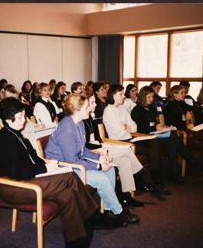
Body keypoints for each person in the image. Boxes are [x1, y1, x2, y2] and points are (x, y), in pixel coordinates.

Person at [0, 97, 100, 248]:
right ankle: (92, 215)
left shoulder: (16, 134)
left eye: (24, 116)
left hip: (25, 181)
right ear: (8, 120)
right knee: (69, 176)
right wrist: (44, 168)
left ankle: (74, 245)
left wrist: (49, 166)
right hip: (12, 187)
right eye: (20, 117)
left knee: (68, 194)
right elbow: (17, 172)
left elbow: (34, 160)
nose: (25, 120)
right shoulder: (4, 140)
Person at [45, 94, 140, 225]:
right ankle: (119, 212)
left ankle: (109, 210)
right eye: (86, 107)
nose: (90, 109)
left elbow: (82, 150)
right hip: (62, 168)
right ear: (76, 110)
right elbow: (71, 161)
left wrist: (99, 157)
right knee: (101, 178)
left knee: (110, 169)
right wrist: (98, 166)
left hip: (73, 162)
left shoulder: (80, 123)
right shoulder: (66, 128)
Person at [103, 84, 167, 193]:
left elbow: (134, 126)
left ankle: (152, 179)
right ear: (113, 95)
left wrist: (126, 128)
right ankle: (150, 181)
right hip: (119, 143)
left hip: (129, 139)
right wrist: (126, 128)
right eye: (121, 94)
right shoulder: (109, 111)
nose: (124, 96)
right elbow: (119, 133)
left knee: (154, 142)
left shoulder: (122, 108)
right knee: (150, 149)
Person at [84, 94, 145, 207]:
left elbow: (96, 138)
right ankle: (141, 177)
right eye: (92, 102)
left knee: (125, 160)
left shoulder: (89, 118)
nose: (96, 104)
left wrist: (102, 144)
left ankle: (126, 196)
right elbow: (85, 145)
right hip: (93, 151)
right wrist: (100, 145)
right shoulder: (82, 120)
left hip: (99, 147)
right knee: (127, 150)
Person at [131, 86, 195, 184]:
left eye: (152, 97)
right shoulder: (137, 110)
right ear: (143, 97)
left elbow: (155, 123)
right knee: (173, 135)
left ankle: (174, 174)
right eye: (149, 97)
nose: (152, 99)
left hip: (155, 135)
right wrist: (155, 128)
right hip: (145, 137)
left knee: (171, 143)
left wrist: (160, 127)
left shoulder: (151, 109)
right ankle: (188, 157)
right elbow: (142, 129)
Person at [164, 85, 203, 176]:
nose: (184, 95)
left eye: (184, 93)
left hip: (189, 131)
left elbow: (196, 111)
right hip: (181, 133)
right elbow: (173, 123)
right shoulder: (170, 106)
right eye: (182, 93)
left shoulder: (182, 103)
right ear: (175, 95)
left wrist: (200, 110)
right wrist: (185, 121)